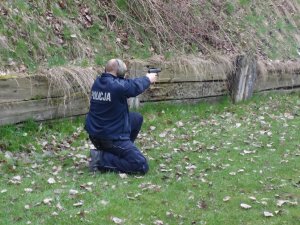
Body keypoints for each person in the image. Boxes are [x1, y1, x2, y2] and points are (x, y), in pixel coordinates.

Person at [85, 59, 158, 174]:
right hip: (110, 138)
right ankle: (100, 158)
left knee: (136, 118)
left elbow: (128, 84)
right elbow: (134, 87)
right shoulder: (117, 86)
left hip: (97, 134)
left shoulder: (98, 82)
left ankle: (120, 152)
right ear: (119, 71)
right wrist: (148, 79)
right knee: (141, 165)